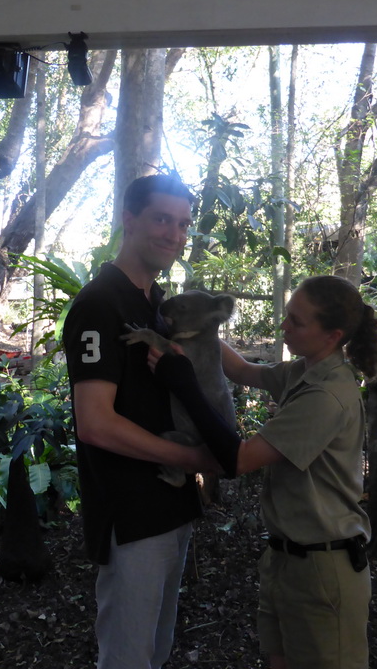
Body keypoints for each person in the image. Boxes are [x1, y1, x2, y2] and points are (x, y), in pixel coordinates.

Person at [150, 274, 377, 669]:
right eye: (287, 315)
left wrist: (185, 385)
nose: (284, 327)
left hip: (325, 569)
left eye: (297, 321)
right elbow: (240, 371)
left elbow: (238, 461)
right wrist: (197, 324)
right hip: (286, 559)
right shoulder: (302, 373)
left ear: (332, 335)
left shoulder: (326, 397)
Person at [62, 174, 217, 669]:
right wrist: (193, 456)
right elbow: (95, 424)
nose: (174, 234)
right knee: (128, 656)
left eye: (182, 224)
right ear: (129, 219)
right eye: (161, 219)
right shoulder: (98, 304)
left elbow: (218, 357)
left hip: (173, 504)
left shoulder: (158, 304)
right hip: (131, 512)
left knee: (158, 646)